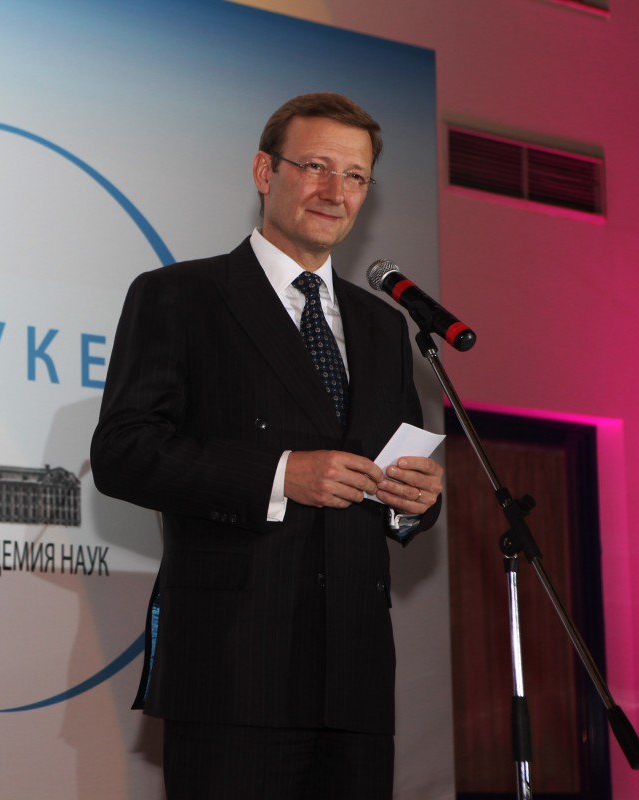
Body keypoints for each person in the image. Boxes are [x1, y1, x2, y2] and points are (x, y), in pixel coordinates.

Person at [90, 93, 444, 799]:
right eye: (315, 166)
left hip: (356, 679)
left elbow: (397, 476)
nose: (334, 191)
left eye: (355, 176)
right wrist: (280, 475)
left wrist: (414, 501)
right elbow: (123, 452)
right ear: (264, 171)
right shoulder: (181, 295)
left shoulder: (383, 326)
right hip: (234, 667)